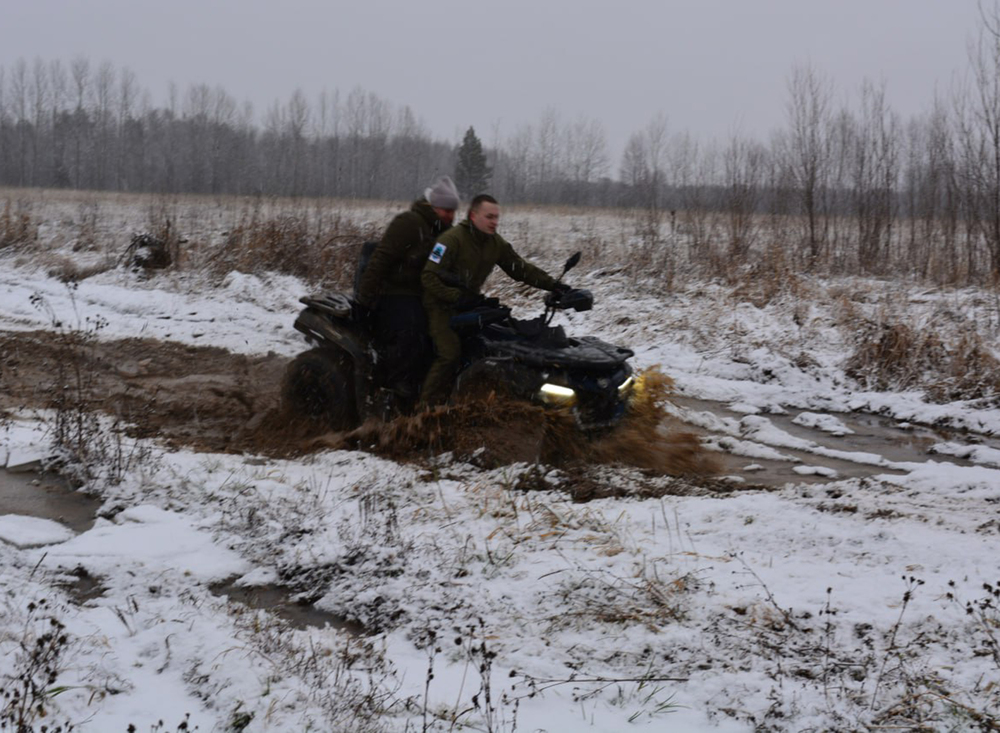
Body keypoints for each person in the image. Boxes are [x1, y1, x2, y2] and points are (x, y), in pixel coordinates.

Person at [419, 194, 569, 405]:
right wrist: (455, 297)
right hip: (438, 306)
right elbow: (428, 277)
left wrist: (553, 285)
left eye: (496, 217)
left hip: (469, 304)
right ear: (473, 215)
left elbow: (519, 268)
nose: (494, 222)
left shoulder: (494, 243)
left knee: (498, 342)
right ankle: (425, 409)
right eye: (489, 217)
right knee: (449, 353)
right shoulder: (451, 240)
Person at [355, 175, 460, 407]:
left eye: (453, 211)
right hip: (394, 292)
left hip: (422, 293)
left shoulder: (442, 232)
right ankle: (394, 387)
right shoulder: (410, 223)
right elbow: (380, 260)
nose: (450, 216)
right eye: (445, 210)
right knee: (414, 330)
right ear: (433, 206)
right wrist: (363, 302)